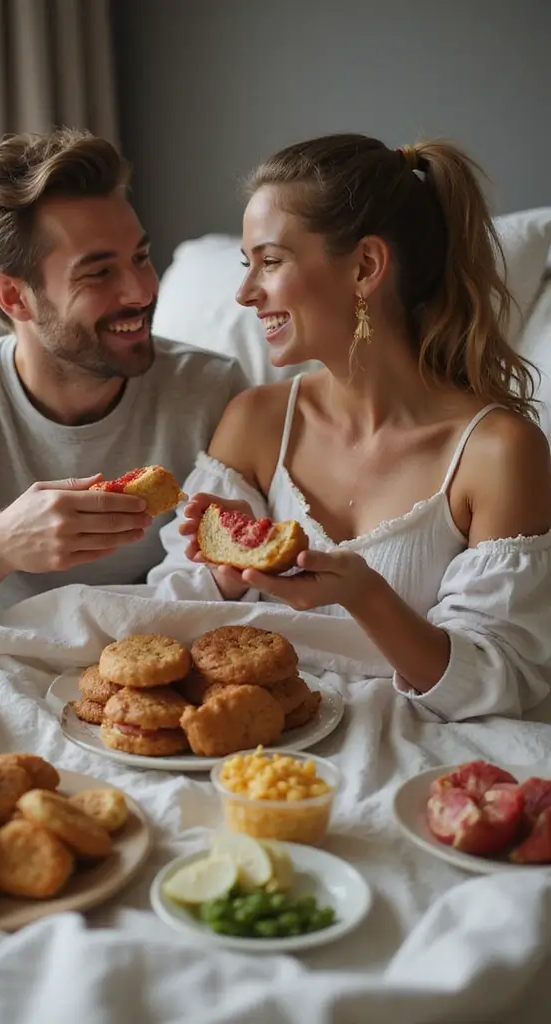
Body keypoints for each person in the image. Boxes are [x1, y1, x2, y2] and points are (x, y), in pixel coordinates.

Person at [150, 134, 551, 721]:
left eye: (270, 261)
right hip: (256, 754)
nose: (244, 293)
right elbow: (168, 620)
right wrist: (224, 579)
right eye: (246, 264)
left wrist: (363, 594)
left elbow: (503, 683)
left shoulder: (497, 453)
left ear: (365, 266)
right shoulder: (256, 423)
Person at [0, 129, 246, 637]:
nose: (142, 291)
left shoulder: (213, 390)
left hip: (167, 643)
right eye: (99, 273)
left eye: (141, 258)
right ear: (14, 297)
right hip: (7, 657)